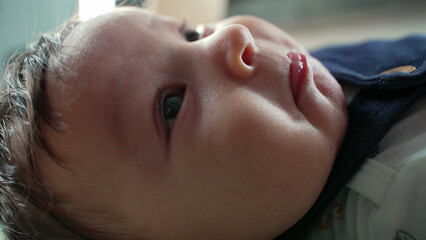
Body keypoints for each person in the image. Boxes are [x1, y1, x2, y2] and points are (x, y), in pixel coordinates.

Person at [0, 5, 424, 240]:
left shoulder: (304, 84)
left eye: (190, 35)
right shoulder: (400, 201)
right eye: (172, 107)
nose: (231, 37)